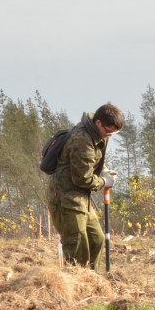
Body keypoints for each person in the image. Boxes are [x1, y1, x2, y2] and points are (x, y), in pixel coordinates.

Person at [48, 103, 124, 271]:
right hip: (66, 200)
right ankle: (77, 284)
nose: (110, 136)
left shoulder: (97, 134)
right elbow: (82, 178)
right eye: (108, 131)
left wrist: (103, 170)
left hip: (81, 200)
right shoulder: (81, 140)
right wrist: (104, 182)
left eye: (114, 133)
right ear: (98, 123)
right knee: (78, 247)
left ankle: (92, 281)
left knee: (96, 239)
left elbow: (88, 161)